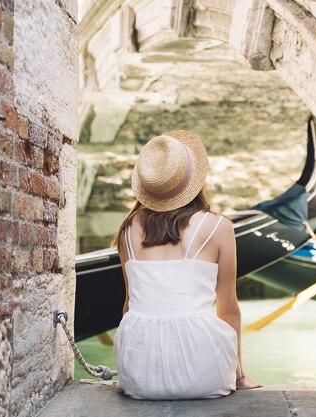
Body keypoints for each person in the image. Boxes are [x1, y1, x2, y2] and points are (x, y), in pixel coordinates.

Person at [111, 130, 263, 400]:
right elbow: (228, 312)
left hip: (139, 378)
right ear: (193, 180)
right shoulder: (218, 227)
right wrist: (239, 375)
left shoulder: (127, 231)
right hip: (205, 374)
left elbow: (128, 306)